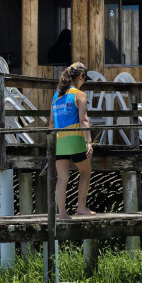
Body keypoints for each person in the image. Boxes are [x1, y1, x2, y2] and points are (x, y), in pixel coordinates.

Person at [51, 62, 96, 219]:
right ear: (81, 76)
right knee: (85, 172)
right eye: (85, 79)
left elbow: (51, 123)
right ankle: (81, 207)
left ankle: (62, 213)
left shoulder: (56, 96)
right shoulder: (80, 95)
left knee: (62, 178)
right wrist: (89, 142)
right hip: (76, 141)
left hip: (59, 143)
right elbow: (83, 119)